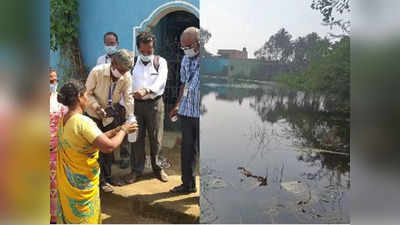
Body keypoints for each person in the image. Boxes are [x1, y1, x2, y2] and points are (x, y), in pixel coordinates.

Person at [56, 79, 138, 224]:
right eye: (86, 95)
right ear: (80, 96)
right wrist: (124, 130)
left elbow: (92, 140)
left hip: (69, 186)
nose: (87, 98)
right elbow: (109, 147)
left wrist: (116, 130)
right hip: (82, 187)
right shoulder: (83, 122)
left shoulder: (65, 119)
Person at [85, 49, 134, 192]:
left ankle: (107, 177)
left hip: (110, 116)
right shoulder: (97, 72)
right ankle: (97, 181)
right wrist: (97, 107)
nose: (123, 74)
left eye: (125, 71)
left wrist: (130, 117)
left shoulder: (126, 76)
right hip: (93, 115)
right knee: (94, 149)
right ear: (113, 63)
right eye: (121, 70)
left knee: (108, 150)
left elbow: (128, 97)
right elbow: (87, 93)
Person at [123, 31, 169, 184]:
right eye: (142, 51)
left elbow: (161, 81)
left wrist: (147, 90)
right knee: (136, 138)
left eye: (149, 50)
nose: (146, 53)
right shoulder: (133, 63)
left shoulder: (160, 62)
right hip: (136, 106)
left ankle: (158, 168)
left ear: (154, 48)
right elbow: (126, 83)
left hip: (154, 104)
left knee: (156, 137)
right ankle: (136, 170)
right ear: (138, 49)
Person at [169, 27, 200, 194]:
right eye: (183, 47)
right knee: (187, 151)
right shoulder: (185, 60)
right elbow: (183, 84)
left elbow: (193, 85)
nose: (186, 50)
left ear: (199, 43)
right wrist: (177, 105)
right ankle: (187, 185)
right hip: (187, 112)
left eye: (188, 46)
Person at [96, 32, 130, 169]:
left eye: (112, 43)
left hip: (119, 101)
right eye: (107, 43)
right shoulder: (100, 60)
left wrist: (123, 104)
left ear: (117, 44)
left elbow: (126, 82)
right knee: (108, 129)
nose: (110, 46)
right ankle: (109, 159)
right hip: (105, 102)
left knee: (123, 128)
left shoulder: (124, 59)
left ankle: (125, 157)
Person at [49, 68, 67, 224]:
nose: (53, 84)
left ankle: (55, 219)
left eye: (55, 80)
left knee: (55, 186)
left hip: (56, 151)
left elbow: (66, 123)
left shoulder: (60, 100)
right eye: (50, 81)